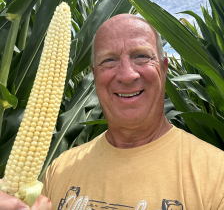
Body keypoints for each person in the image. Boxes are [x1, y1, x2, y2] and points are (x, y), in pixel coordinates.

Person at [1, 14, 224, 210]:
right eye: (110, 60)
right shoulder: (58, 170)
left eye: (141, 56)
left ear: (164, 69)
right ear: (94, 76)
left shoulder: (217, 176)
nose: (127, 75)